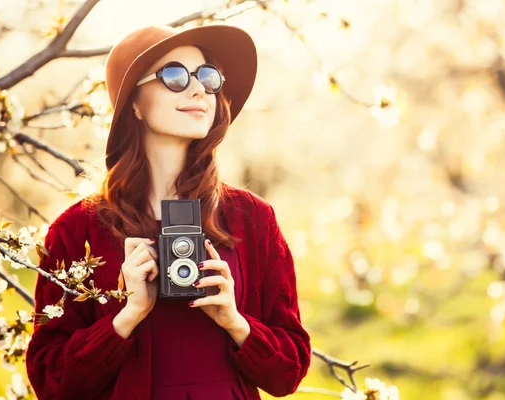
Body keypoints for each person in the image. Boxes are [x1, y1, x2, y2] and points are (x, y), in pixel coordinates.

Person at [25, 24, 311, 400]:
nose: (198, 90)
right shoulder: (77, 229)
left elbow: (288, 373)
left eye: (209, 77)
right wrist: (126, 316)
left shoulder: (253, 219)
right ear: (134, 103)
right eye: (174, 76)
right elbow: (51, 381)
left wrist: (236, 322)